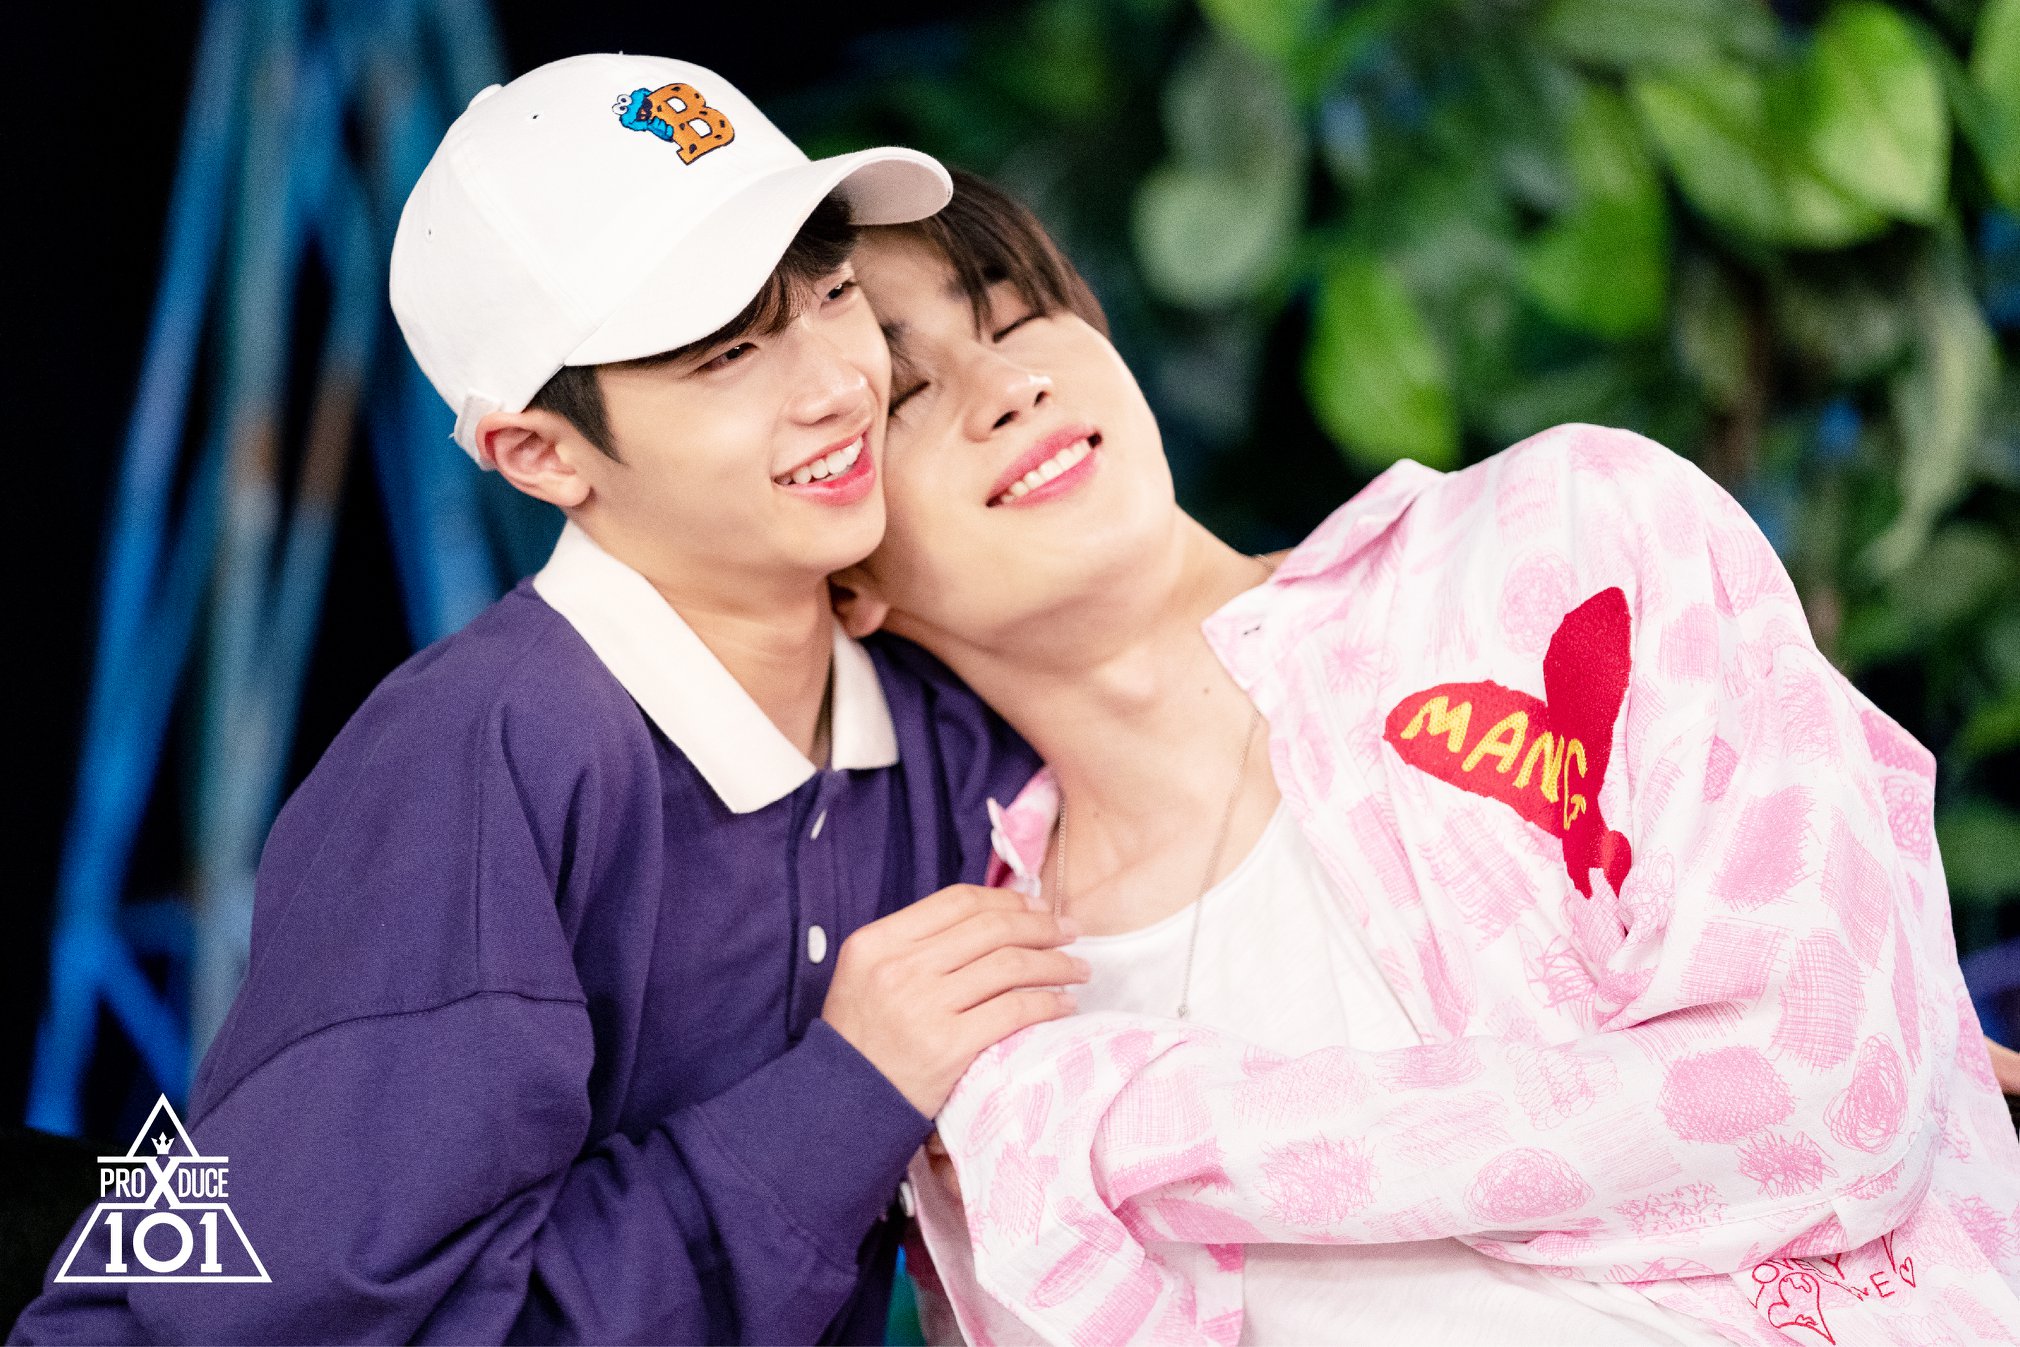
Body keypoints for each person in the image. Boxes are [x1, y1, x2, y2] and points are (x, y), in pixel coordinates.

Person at [830, 171, 2020, 1344]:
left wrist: (1137, 1130)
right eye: (902, 395)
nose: (1008, 386)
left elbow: (1821, 1086)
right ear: (842, 574)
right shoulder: (988, 1048)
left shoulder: (1557, 538)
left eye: (1017, 316)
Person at [10, 60, 1089, 1346]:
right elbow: (323, 1328)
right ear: (539, 451)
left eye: (834, 292)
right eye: (730, 353)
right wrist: (846, 1093)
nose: (836, 384)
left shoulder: (934, 717)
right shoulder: (476, 764)